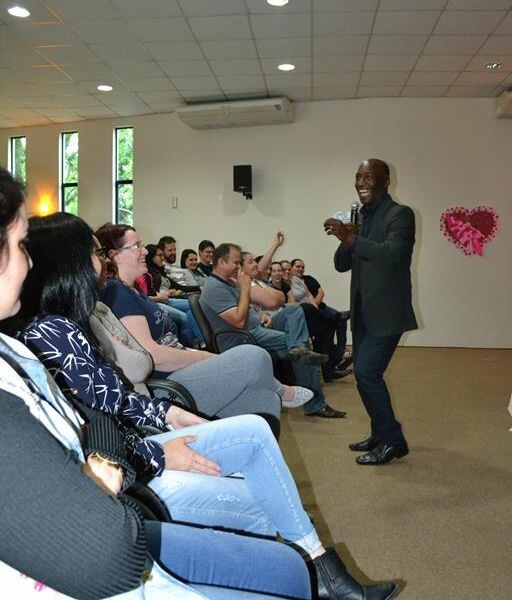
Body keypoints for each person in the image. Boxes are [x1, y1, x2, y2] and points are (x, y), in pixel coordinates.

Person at [1, 210, 398, 600]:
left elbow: (107, 407)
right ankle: (311, 567)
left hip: (142, 431)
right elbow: (102, 421)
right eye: (95, 252)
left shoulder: (76, 319)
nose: (100, 260)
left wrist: (166, 415)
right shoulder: (51, 333)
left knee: (259, 417)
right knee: (259, 449)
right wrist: (156, 448)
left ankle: (312, 564)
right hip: (136, 454)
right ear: (68, 263)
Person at [95, 223, 313, 437]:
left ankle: (254, 456)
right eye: (136, 246)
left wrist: (197, 356)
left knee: (266, 401)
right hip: (168, 384)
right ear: (115, 255)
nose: (144, 251)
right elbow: (153, 356)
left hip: (180, 371)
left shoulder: (132, 292)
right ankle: (282, 389)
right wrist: (204, 357)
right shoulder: (117, 293)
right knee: (256, 356)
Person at [324, 158, 417, 466]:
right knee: (366, 377)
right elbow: (341, 264)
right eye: (358, 177)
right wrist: (346, 238)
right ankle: (379, 433)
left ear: (386, 181)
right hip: (362, 312)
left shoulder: (400, 215)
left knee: (366, 373)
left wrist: (354, 238)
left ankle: (393, 440)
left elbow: (392, 255)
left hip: (388, 313)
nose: (362, 182)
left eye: (368, 177)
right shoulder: (361, 215)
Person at [201, 243, 347, 419]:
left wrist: (260, 313)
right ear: (221, 262)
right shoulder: (214, 288)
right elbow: (239, 321)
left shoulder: (229, 282)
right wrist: (246, 287)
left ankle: (298, 348)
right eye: (236, 263)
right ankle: (315, 403)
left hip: (256, 326)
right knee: (303, 351)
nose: (239, 267)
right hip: (243, 336)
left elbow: (266, 303)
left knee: (293, 311)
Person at [290, 258, 352, 378]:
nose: (301, 269)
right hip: (311, 313)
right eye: (298, 266)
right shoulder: (290, 283)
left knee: (341, 322)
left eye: (302, 267)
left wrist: (315, 307)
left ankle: (339, 354)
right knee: (332, 322)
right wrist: (313, 309)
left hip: (320, 307)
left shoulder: (308, 279)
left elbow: (320, 292)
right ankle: (336, 359)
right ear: (292, 268)